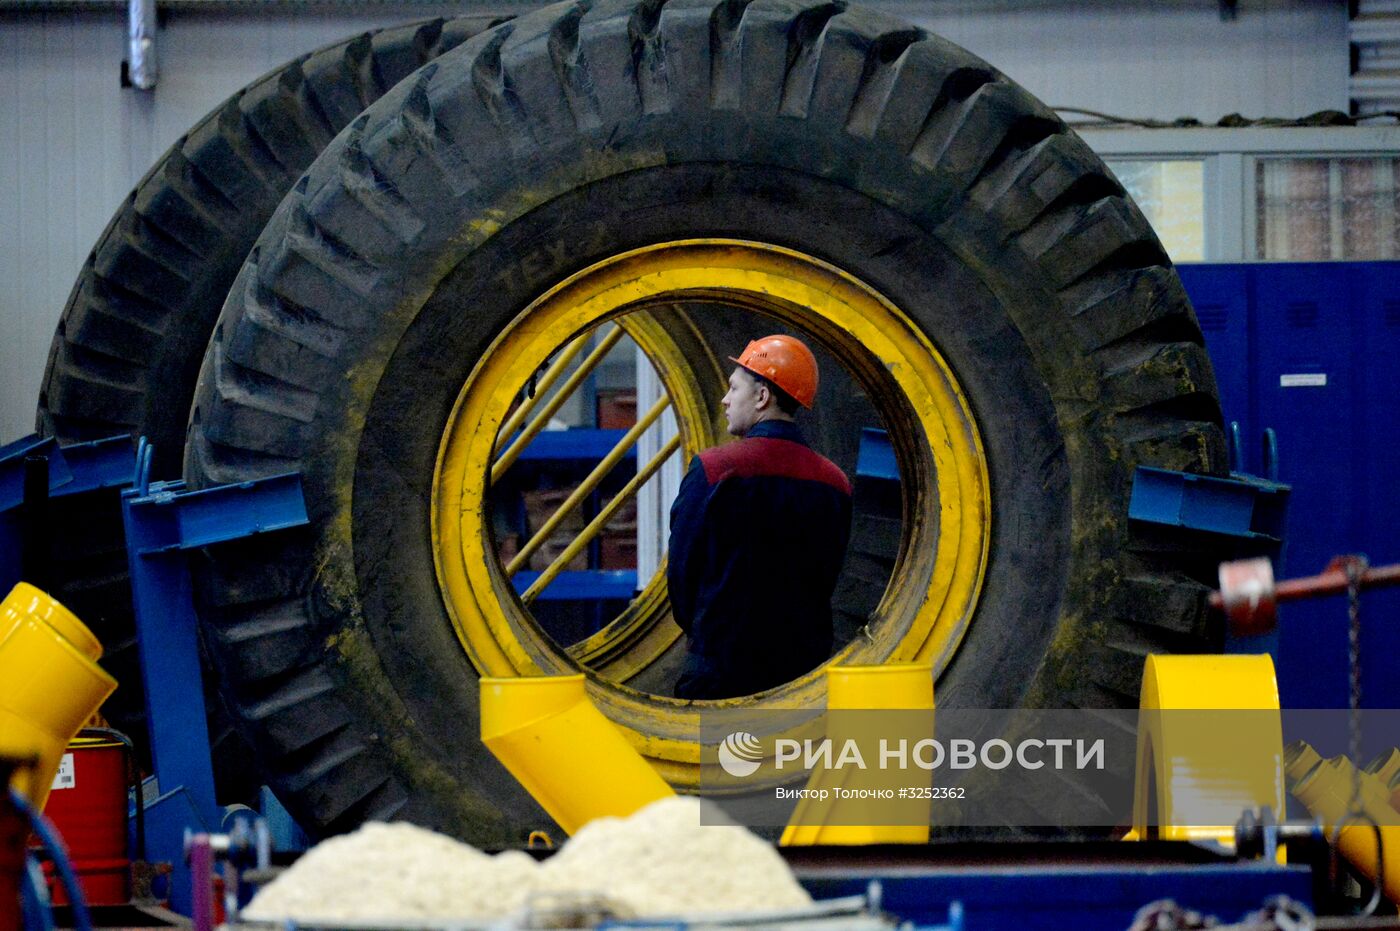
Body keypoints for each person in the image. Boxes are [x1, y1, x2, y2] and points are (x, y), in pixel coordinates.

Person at [667, 334, 852, 700]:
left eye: (734, 388)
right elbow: (828, 573)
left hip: (721, 670)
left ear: (762, 396)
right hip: (803, 674)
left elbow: (682, 572)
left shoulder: (714, 469)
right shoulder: (835, 482)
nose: (724, 399)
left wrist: (707, 632)